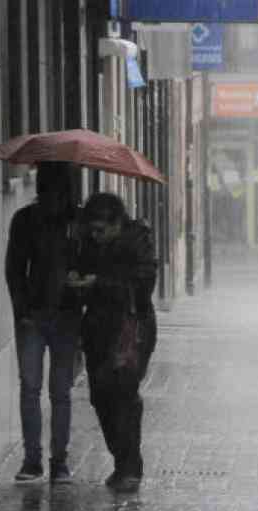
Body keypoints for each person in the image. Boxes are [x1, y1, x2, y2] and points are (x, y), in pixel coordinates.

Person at [70, 193, 158, 493]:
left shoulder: (139, 242)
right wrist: (78, 279)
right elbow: (81, 272)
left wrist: (99, 283)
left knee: (124, 394)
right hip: (97, 330)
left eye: (100, 230)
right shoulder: (90, 244)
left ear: (117, 224)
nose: (95, 236)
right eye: (91, 230)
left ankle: (130, 466)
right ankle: (122, 460)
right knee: (100, 396)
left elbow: (143, 287)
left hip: (132, 330)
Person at [5, 161, 81, 484]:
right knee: (31, 388)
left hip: (66, 316)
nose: (55, 200)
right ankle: (33, 460)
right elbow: (14, 270)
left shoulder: (77, 222)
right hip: (33, 318)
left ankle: (58, 461)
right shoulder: (25, 220)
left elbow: (88, 262)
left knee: (60, 391)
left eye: (60, 193)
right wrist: (22, 311)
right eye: (49, 192)